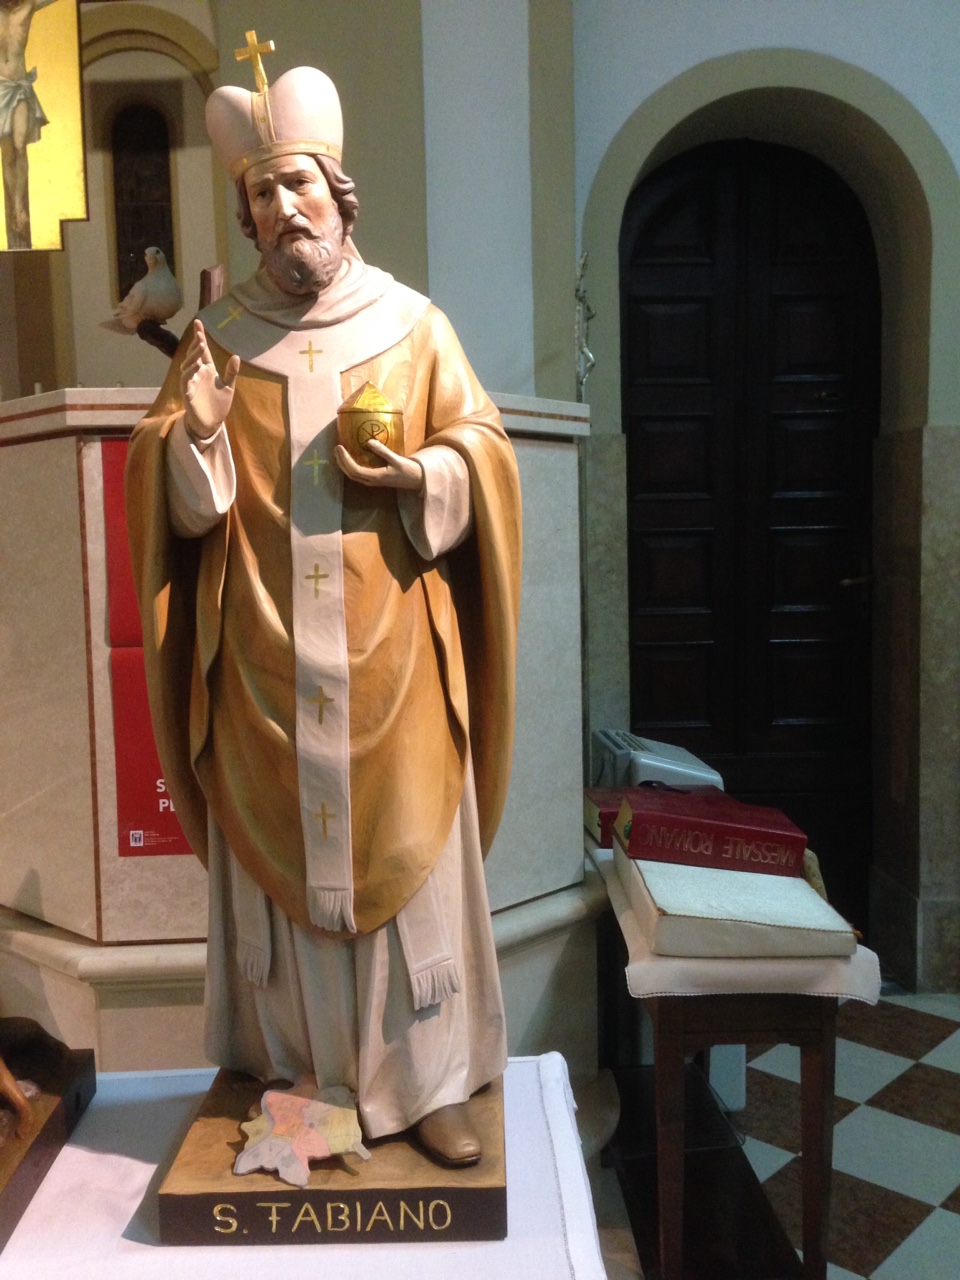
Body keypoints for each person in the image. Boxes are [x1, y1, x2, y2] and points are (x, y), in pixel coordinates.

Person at [125, 56, 522, 1169]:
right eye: (262, 192)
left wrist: (428, 475)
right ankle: (305, 1080)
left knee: (411, 859)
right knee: (285, 878)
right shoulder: (216, 338)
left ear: (338, 193)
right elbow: (176, 510)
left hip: (394, 657)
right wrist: (198, 436)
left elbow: (486, 453)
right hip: (261, 660)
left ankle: (427, 1083)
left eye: (298, 183)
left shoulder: (413, 324)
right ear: (248, 215)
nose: (283, 207)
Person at [0, 0, 55, 250]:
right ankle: (15, 205)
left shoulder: (28, 7)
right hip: (0, 89)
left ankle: (19, 205)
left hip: (20, 86)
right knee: (8, 152)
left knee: (20, 145)